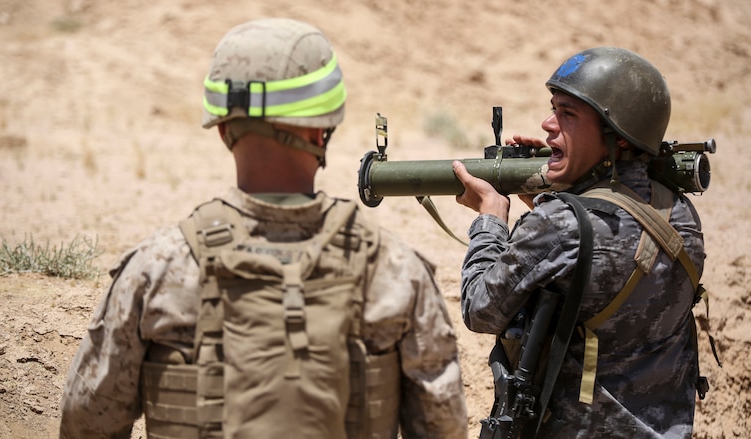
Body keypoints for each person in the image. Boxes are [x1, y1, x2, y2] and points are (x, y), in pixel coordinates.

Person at [60, 18, 468, 439]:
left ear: (222, 130)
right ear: (322, 128)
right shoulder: (395, 269)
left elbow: (87, 420)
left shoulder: (156, 268)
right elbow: (443, 426)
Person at [452, 47, 706, 438]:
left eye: (567, 114)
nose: (548, 123)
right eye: (553, 108)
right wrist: (558, 197)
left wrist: (491, 217)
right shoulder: (681, 215)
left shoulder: (560, 225)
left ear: (617, 137)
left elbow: (480, 308)